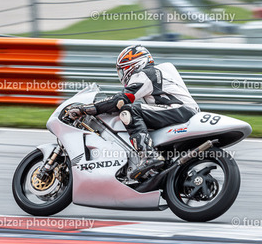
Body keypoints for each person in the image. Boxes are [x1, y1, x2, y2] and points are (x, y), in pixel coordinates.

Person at [67, 44, 200, 179]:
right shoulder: (160, 71)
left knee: (129, 110)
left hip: (180, 110)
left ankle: (148, 155)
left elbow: (121, 100)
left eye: (122, 71)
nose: (122, 75)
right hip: (184, 111)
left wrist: (87, 109)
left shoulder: (145, 73)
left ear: (133, 65)